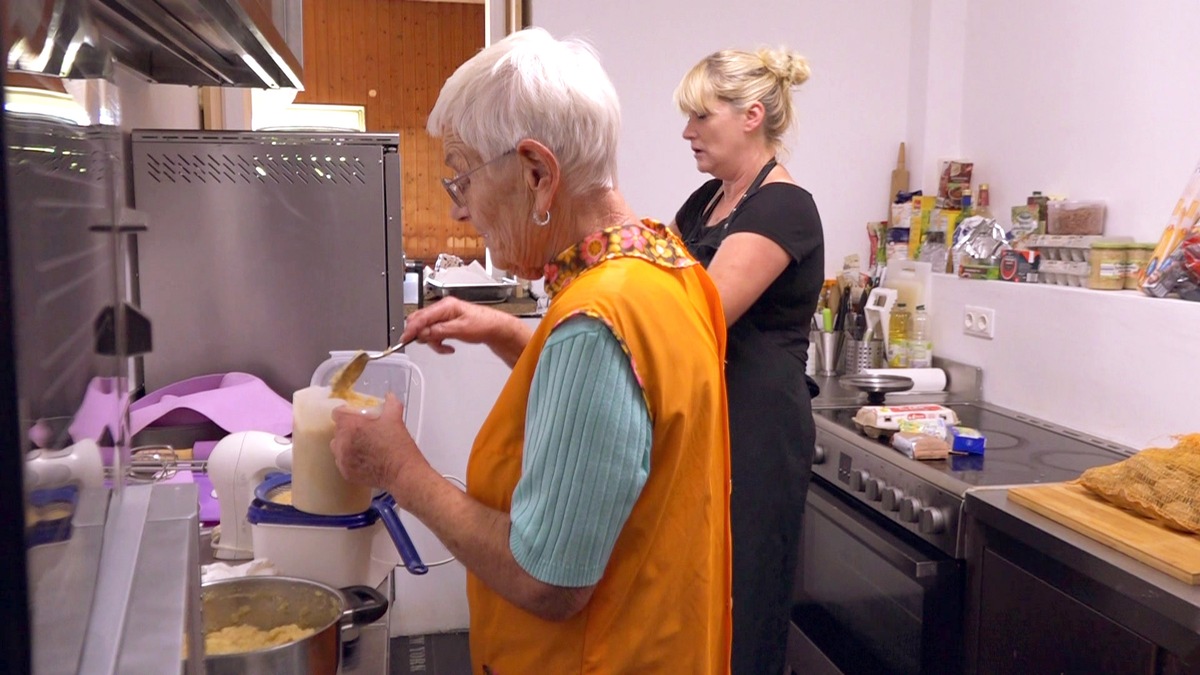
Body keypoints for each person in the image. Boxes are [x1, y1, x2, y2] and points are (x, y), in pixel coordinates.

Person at [329, 28, 733, 674]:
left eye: (461, 178)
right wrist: (507, 330)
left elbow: (547, 579)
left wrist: (400, 470)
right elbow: (632, 416)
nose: (460, 212)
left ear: (538, 173)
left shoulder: (595, 325)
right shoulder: (666, 266)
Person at [669, 47, 825, 675]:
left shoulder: (784, 206)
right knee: (698, 593)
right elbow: (659, 283)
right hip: (707, 421)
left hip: (757, 428)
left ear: (751, 116)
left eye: (700, 117)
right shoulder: (708, 199)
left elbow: (695, 310)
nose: (687, 132)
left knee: (745, 594)